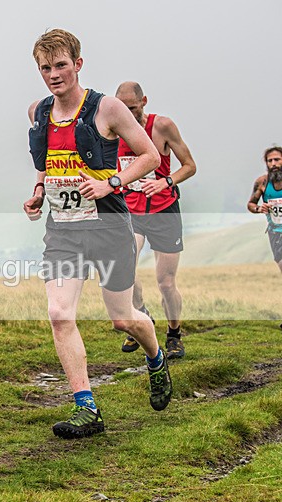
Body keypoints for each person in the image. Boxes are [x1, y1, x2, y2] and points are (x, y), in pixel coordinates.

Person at [22, 29, 172, 439]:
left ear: (78, 64)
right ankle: (86, 407)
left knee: (123, 319)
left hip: (107, 225)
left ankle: (156, 358)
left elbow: (150, 156)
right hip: (63, 230)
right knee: (59, 313)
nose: (54, 75)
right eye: (45, 68)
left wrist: (113, 183)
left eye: (61, 65)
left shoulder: (106, 107)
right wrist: (38, 191)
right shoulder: (38, 111)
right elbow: (47, 161)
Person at [114, 82, 197, 359]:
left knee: (166, 282)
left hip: (164, 210)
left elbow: (190, 165)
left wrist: (166, 182)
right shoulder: (111, 130)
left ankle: (174, 333)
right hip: (131, 211)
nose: (127, 114)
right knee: (125, 271)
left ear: (144, 102)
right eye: (121, 109)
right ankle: (141, 317)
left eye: (132, 109)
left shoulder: (162, 126)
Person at [248, 147, 282, 277]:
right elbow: (251, 204)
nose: (273, 164)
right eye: (269, 161)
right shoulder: (262, 182)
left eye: (277, 160)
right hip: (276, 233)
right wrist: (259, 209)